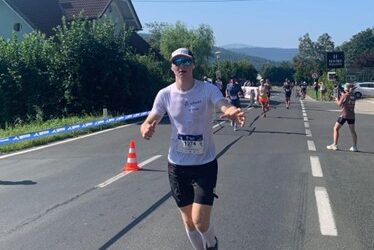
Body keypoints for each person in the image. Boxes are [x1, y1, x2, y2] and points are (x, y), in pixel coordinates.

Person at [140, 48, 246, 250]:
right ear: (172, 67)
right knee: (188, 221)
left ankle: (212, 244)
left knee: (200, 221)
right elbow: (150, 119)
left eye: (186, 61)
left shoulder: (207, 89)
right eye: (177, 62)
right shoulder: (165, 94)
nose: (182, 65)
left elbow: (222, 103)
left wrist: (231, 111)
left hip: (204, 164)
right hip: (177, 167)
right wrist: (146, 127)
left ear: (193, 66)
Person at [326, 83, 358, 152]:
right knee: (353, 131)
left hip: (344, 115)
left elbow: (339, 104)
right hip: (351, 115)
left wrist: (336, 99)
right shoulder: (353, 96)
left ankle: (335, 145)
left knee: (336, 128)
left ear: (346, 88)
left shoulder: (345, 95)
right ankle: (354, 146)